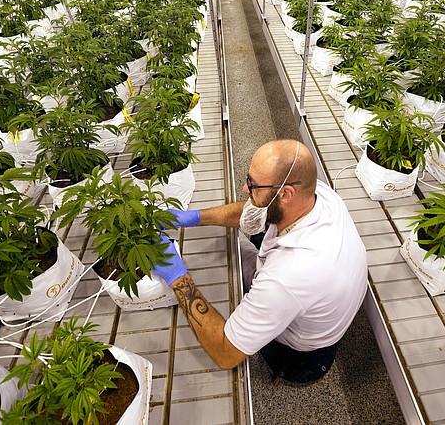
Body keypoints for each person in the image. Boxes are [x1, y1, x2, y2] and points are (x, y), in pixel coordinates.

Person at [153, 139, 368, 383]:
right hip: (319, 297)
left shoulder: (287, 278)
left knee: (229, 266)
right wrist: (195, 218)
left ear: (286, 193)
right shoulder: (317, 193)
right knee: (237, 243)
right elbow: (253, 211)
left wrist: (177, 277)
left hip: (301, 351)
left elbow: (225, 354)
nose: (245, 188)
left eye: (253, 184)